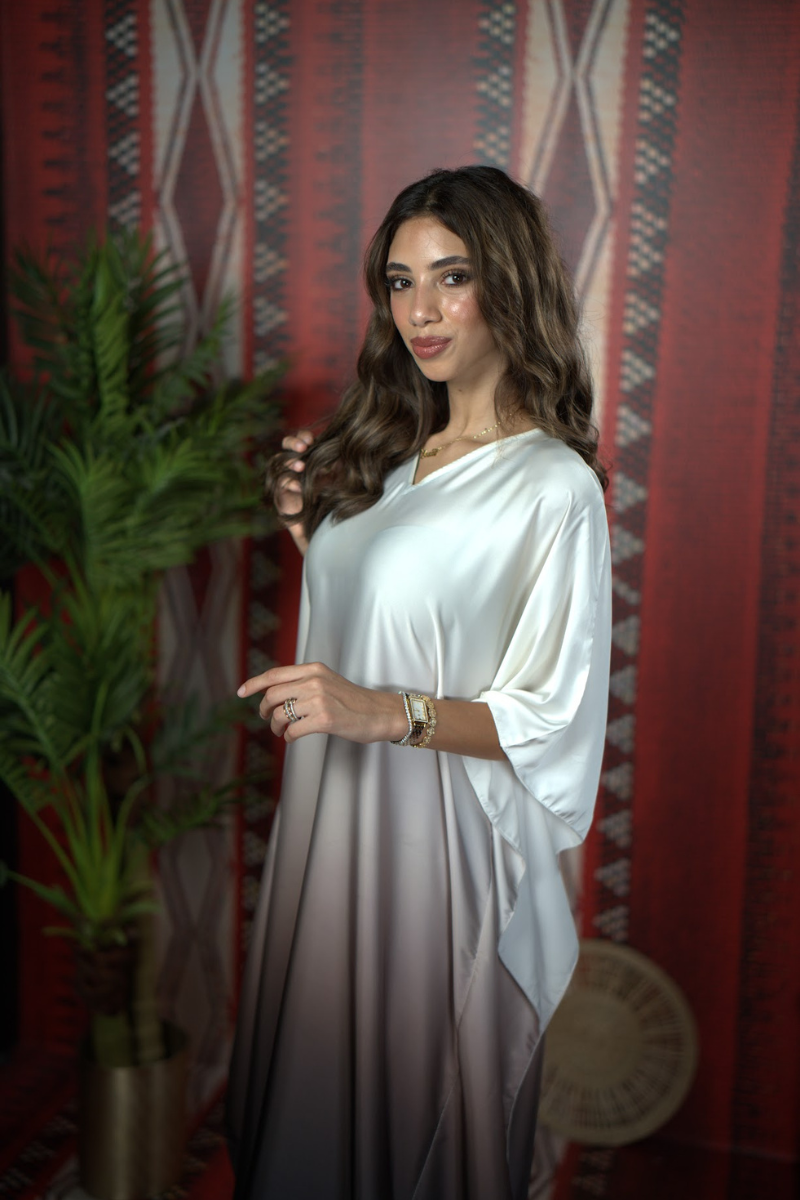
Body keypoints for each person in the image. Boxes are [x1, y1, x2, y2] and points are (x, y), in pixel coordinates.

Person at [226, 165, 611, 1200]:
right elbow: (413, 625)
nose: (421, 312)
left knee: (408, 1113)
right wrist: (320, 538)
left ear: (512, 286)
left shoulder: (551, 485)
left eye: (452, 277)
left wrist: (374, 711)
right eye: (399, 283)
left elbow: (550, 717)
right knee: (311, 1100)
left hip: (437, 858)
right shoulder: (399, 461)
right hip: (334, 823)